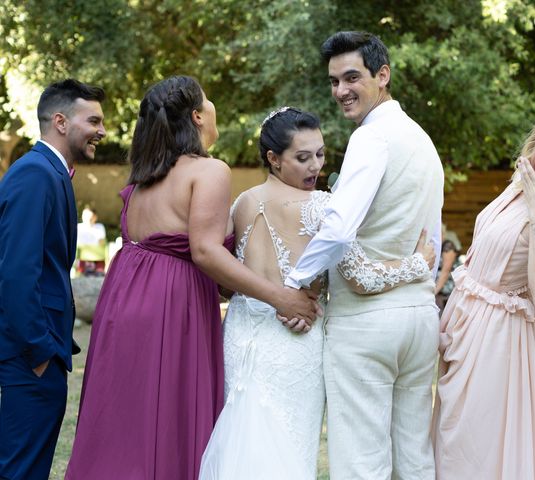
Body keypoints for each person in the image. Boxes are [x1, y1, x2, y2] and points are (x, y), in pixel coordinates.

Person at [64, 77, 318, 480]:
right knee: (169, 418)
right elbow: (204, 251)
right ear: (198, 116)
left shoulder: (144, 176)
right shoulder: (209, 170)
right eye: (209, 101)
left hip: (124, 299)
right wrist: (280, 297)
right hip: (171, 304)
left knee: (126, 420)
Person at [199, 107, 434, 480]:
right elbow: (360, 276)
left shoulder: (242, 202)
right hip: (296, 341)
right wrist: (418, 264)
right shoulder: (323, 207)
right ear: (273, 159)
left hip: (241, 333)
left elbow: (226, 275)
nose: (315, 167)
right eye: (302, 157)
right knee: (290, 445)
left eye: (321, 154)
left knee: (242, 436)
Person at [284, 31, 444, 479]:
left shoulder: (371, 139)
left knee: (361, 463)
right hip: (418, 317)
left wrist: (294, 284)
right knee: (414, 458)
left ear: (383, 75)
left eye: (351, 77)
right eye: (333, 81)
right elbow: (429, 239)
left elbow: (337, 230)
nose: (340, 91)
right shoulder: (423, 142)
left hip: (366, 324)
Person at [432, 106, 535, 479]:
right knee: (447, 436)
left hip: (498, 339)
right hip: (463, 320)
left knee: (474, 446)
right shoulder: (516, 183)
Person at [0, 79, 106, 480]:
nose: (102, 130)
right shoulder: (35, 175)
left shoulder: (49, 172)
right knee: (21, 470)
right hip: (31, 358)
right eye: (93, 120)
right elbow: (15, 273)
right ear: (60, 121)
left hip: (42, 355)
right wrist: (40, 351)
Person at [435, 224, 461, 310]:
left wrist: (434, 292)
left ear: (443, 234)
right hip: (438, 290)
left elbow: (445, 272)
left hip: (447, 291)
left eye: (439, 233)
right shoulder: (434, 247)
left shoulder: (448, 246)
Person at [76, 206, 107, 275]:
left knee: (99, 271)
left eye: (90, 216)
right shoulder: (78, 227)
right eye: (85, 216)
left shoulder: (100, 227)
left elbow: (101, 243)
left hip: (97, 257)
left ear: (95, 217)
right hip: (82, 258)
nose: (88, 218)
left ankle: (97, 271)